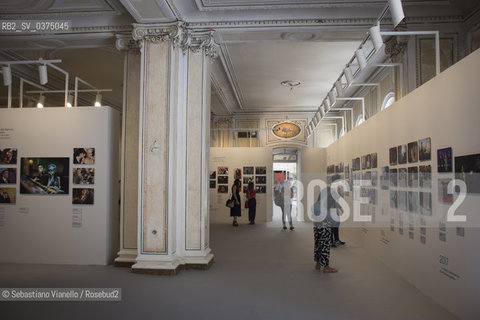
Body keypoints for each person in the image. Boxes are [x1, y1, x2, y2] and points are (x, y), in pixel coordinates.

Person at [312, 187, 339, 273]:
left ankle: (318, 263)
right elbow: (332, 220)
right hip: (325, 228)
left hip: (317, 228)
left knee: (318, 245)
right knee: (325, 247)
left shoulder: (316, 205)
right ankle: (326, 266)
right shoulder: (325, 207)